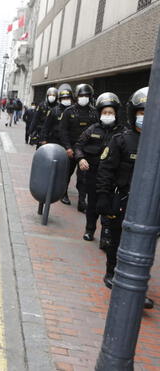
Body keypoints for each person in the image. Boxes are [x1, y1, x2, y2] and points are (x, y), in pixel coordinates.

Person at [96, 87, 153, 309]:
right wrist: (103, 197)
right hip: (122, 199)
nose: (145, 118)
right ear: (133, 114)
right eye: (141, 113)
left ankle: (138, 287)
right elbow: (106, 170)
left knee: (144, 246)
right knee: (116, 240)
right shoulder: (121, 140)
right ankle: (112, 273)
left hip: (147, 205)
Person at [75, 92, 124, 242]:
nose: (108, 115)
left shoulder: (122, 132)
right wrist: (81, 159)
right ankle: (90, 230)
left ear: (116, 113)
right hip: (93, 174)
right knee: (92, 205)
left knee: (109, 207)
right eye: (105, 112)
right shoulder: (92, 130)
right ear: (100, 113)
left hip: (112, 178)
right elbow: (78, 146)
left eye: (110, 112)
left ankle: (105, 236)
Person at [59, 83, 99, 208]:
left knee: (84, 177)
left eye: (86, 95)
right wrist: (68, 147)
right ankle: (63, 193)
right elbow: (63, 131)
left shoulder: (94, 112)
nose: (84, 97)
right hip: (70, 149)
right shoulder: (68, 111)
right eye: (81, 95)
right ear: (77, 96)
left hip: (86, 150)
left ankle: (82, 201)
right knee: (67, 173)